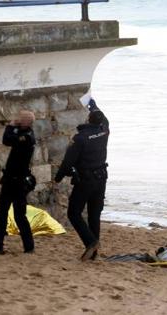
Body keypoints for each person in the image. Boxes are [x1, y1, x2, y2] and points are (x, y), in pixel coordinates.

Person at [54, 97, 109, 261]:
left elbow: (68, 161)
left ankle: (91, 242)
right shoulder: (104, 131)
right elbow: (105, 119)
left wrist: (58, 178)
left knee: (74, 213)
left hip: (86, 180)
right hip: (101, 178)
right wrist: (93, 105)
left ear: (88, 119)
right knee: (94, 214)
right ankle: (94, 253)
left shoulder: (81, 138)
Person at [0, 110, 37, 255]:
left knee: (5, 214)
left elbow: (7, 140)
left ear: (25, 122)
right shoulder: (26, 134)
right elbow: (11, 138)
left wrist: (10, 126)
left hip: (15, 181)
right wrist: (14, 127)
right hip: (16, 180)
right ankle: (27, 246)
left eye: (20, 119)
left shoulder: (26, 137)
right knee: (17, 215)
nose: (17, 120)